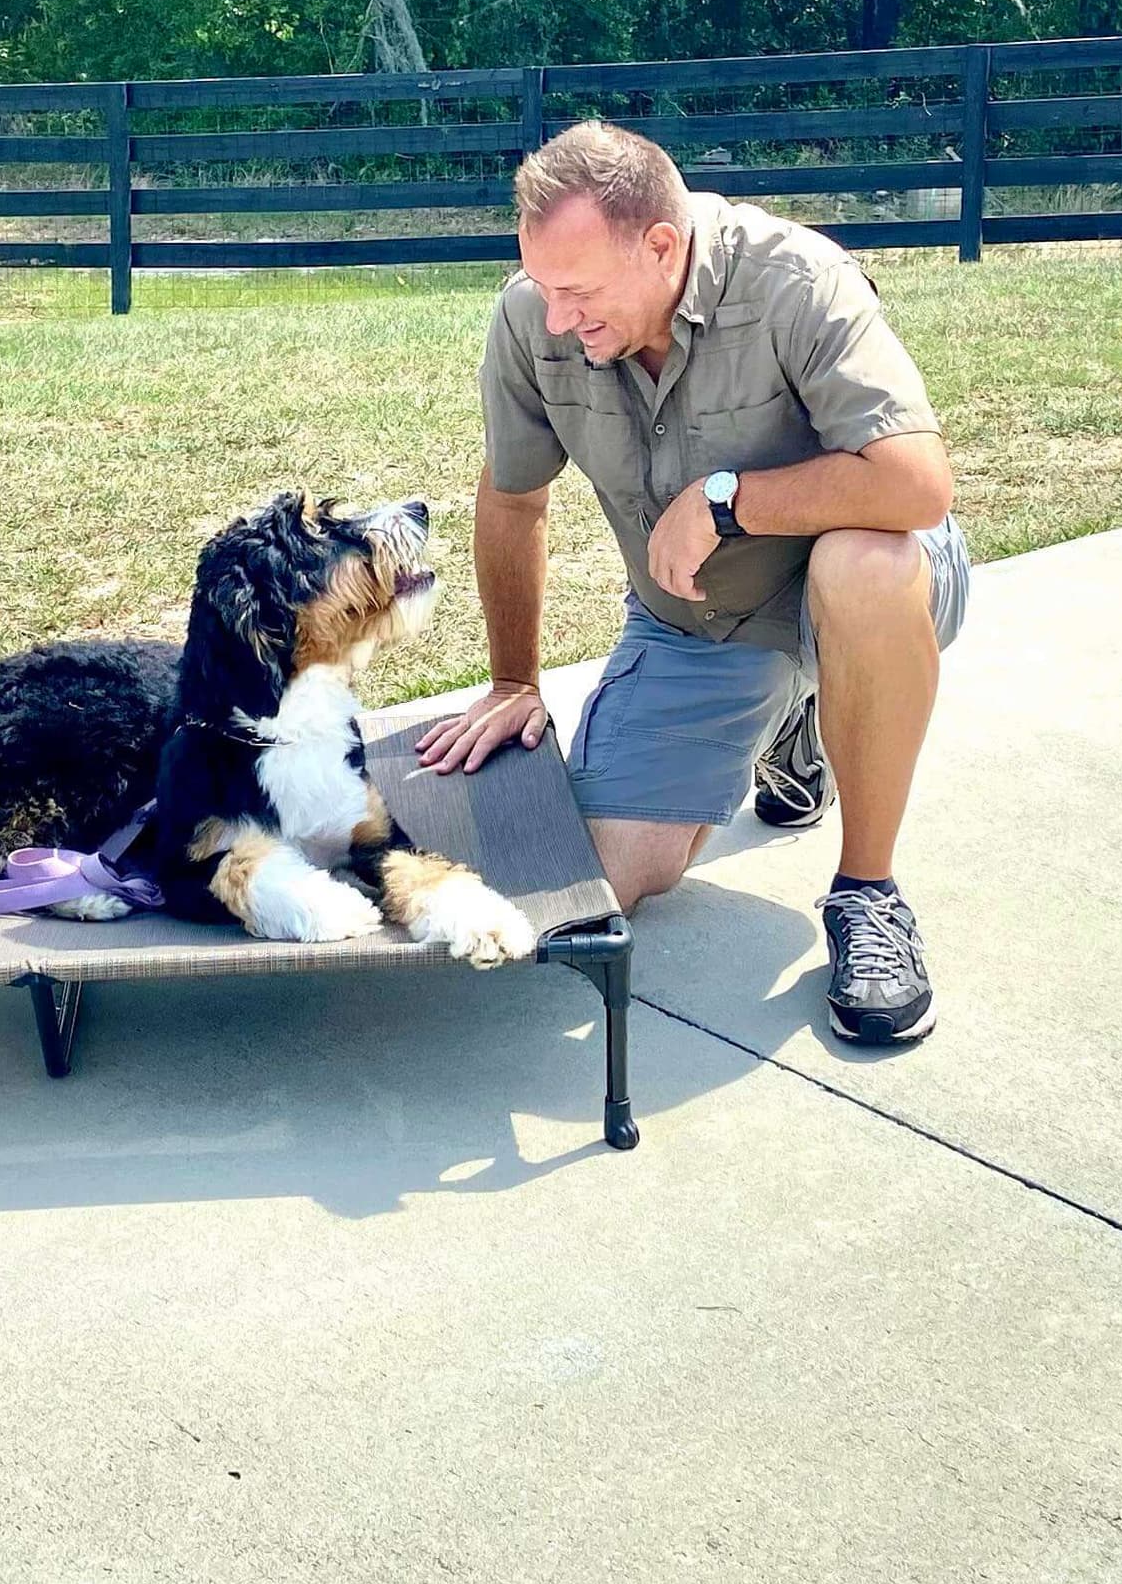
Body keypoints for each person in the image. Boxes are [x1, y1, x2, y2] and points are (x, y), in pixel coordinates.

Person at [412, 121, 964, 1043]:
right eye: (542, 287)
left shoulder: (796, 282)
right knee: (596, 874)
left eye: (577, 292)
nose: (555, 318)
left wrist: (725, 499)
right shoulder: (530, 319)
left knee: (858, 566)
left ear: (661, 246)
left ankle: (869, 895)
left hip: (867, 587)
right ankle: (802, 723)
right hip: (699, 627)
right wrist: (515, 681)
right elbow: (513, 501)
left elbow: (916, 483)